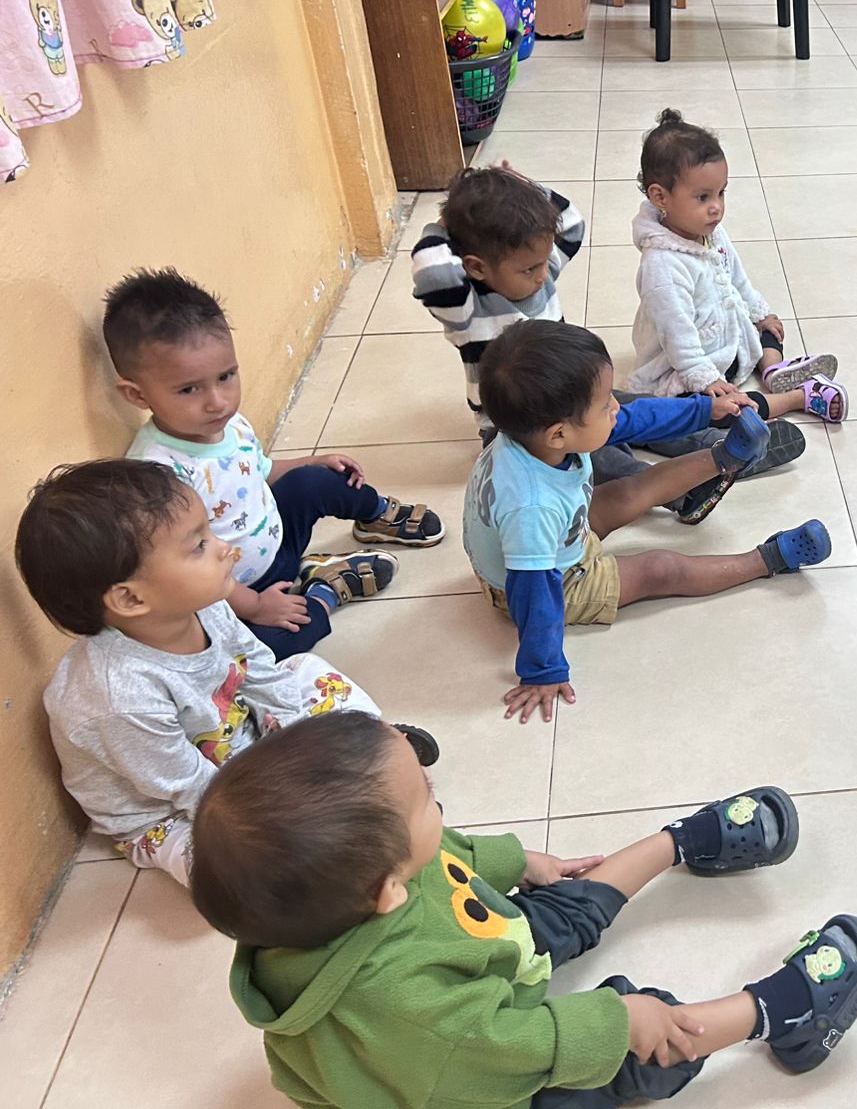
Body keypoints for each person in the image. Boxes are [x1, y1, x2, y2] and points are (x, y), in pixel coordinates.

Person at [194, 711, 857, 1107]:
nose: (433, 788)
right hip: (480, 1082)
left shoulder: (346, 888)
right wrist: (617, 1021)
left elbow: (446, 857)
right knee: (640, 1037)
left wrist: (516, 862)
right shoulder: (410, 1012)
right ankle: (783, 1017)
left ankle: (678, 843)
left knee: (559, 908)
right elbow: (513, 1048)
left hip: (466, 963)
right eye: (427, 797)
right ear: (386, 891)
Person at [12, 459, 403, 885]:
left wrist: (306, 740)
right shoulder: (117, 698)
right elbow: (188, 787)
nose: (223, 548)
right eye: (198, 545)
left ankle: (366, 751)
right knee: (235, 868)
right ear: (130, 599)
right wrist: (298, 802)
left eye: (209, 532)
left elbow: (260, 669)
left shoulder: (205, 604)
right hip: (173, 810)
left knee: (306, 670)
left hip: (240, 739)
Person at [466, 319, 834, 724]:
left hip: (553, 537)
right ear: (558, 435)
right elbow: (533, 592)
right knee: (660, 569)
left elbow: (638, 418)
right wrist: (542, 670)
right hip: (546, 579)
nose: (615, 406)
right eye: (604, 404)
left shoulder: (534, 435)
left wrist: (705, 410)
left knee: (627, 491)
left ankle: (725, 458)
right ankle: (769, 559)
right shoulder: (532, 508)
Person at [412, 163, 804, 522]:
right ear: (476, 266)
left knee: (639, 410)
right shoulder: (465, 310)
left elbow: (570, 223)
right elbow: (433, 272)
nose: (542, 275)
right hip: (525, 430)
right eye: (529, 269)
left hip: (579, 393)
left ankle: (718, 445)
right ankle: (682, 492)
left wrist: (524, 188)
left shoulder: (536, 269)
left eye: (543, 262)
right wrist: (448, 223)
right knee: (601, 456)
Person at [109, 269, 443, 659]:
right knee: (261, 654)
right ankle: (324, 588)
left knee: (316, 479)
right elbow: (183, 570)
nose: (217, 401)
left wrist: (314, 462)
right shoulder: (157, 476)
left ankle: (375, 515)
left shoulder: (228, 423)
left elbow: (259, 471)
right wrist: (254, 606)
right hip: (231, 593)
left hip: (278, 541)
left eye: (226, 376)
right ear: (137, 395)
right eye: (189, 389)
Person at [628, 109, 849, 423]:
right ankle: (799, 397)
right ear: (660, 197)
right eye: (702, 197)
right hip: (683, 367)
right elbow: (677, 335)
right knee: (712, 411)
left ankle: (772, 369)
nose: (716, 207)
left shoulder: (710, 232)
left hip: (728, 342)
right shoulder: (662, 267)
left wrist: (759, 314)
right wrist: (704, 378)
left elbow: (737, 278)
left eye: (721, 193)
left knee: (768, 329)